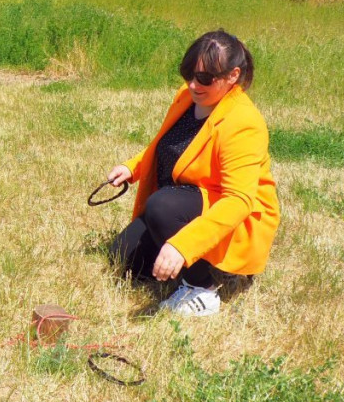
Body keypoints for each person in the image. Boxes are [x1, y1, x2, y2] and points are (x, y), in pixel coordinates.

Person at [107, 31, 280, 317]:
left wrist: (183, 246)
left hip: (232, 216)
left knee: (161, 207)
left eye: (204, 78)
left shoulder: (243, 123)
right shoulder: (186, 98)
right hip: (185, 201)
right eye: (188, 74)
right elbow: (169, 145)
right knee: (124, 260)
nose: (192, 84)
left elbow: (238, 201)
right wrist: (132, 168)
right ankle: (194, 259)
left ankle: (204, 287)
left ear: (233, 75)